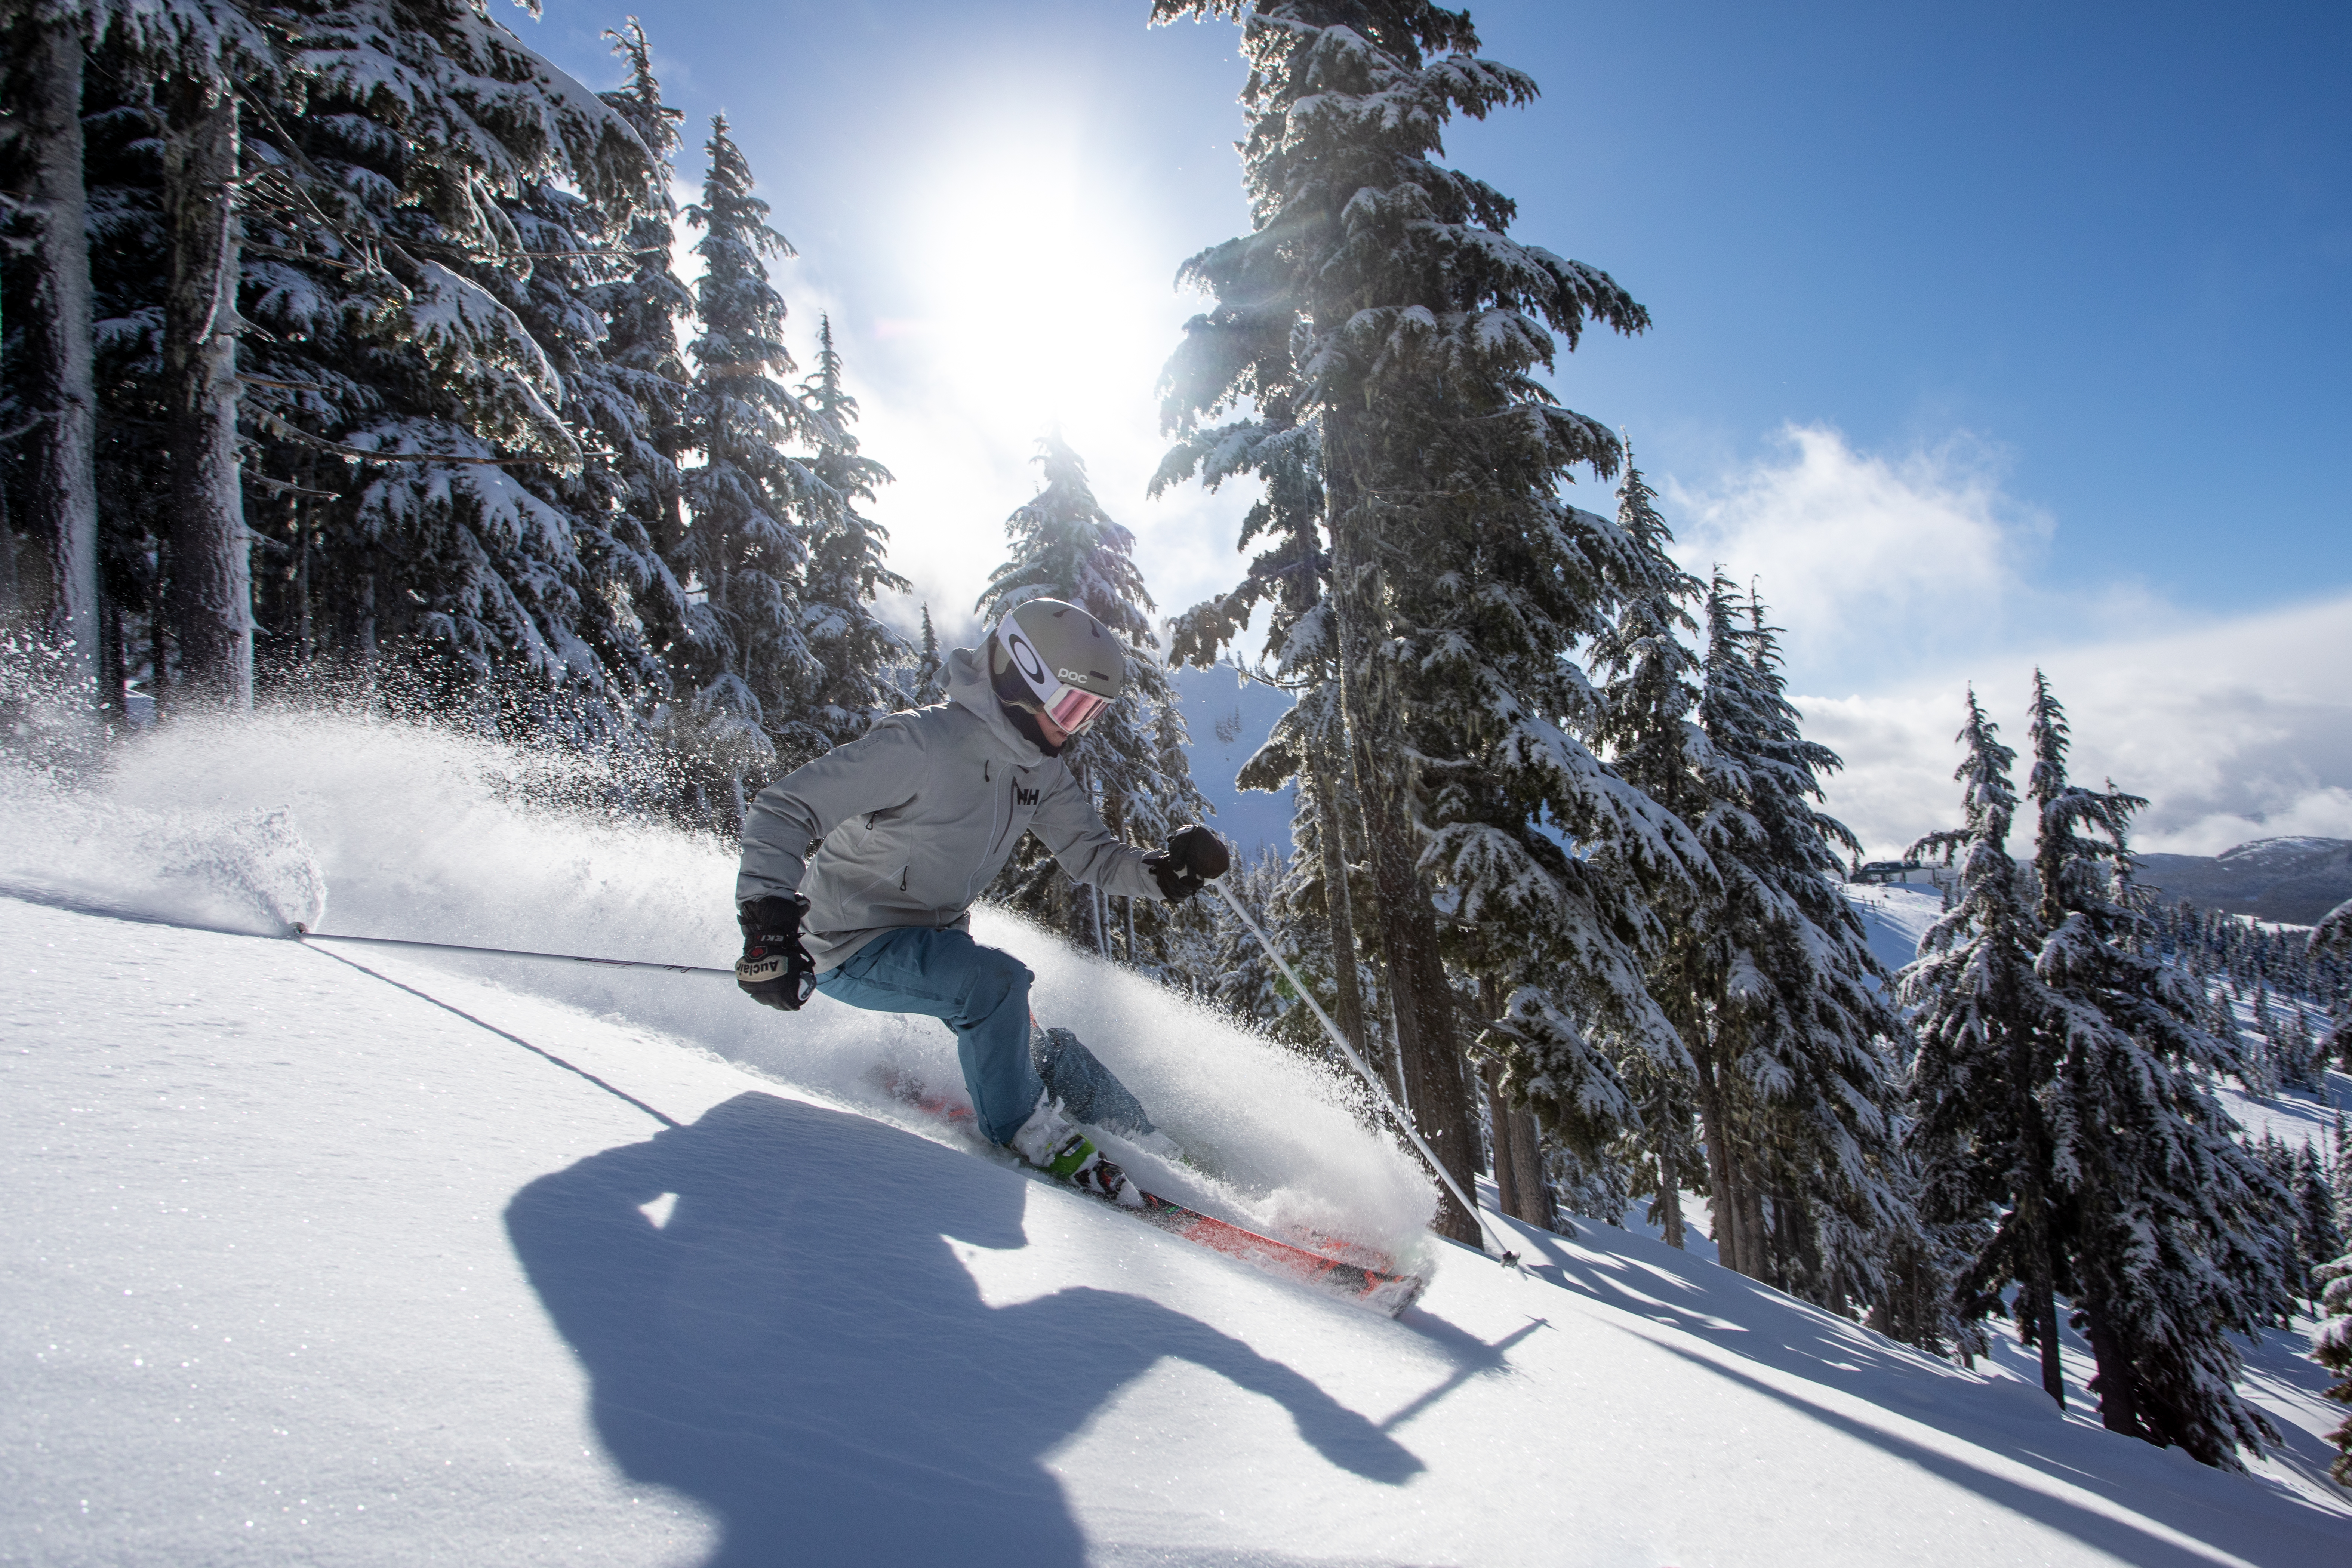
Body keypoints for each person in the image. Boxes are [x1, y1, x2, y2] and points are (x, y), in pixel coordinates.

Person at [732, 597, 1229, 1205]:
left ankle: (1151, 1149)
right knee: (996, 986)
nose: (1076, 728)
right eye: (1072, 707)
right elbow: (785, 807)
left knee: (1043, 1047)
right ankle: (1031, 1135)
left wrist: (1166, 873)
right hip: (846, 943)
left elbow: (1091, 855)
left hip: (937, 944)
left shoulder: (1037, 771)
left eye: (1091, 715)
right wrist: (769, 924)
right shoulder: (921, 744)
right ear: (1023, 675)